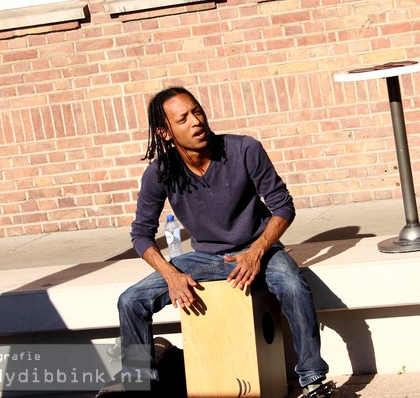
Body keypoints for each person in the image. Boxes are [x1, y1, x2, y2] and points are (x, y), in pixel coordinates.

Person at [101, 86, 335, 398]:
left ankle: (313, 380)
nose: (196, 121)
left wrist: (257, 251)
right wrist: (171, 275)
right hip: (205, 258)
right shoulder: (160, 172)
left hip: (258, 248)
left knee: (292, 285)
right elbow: (141, 235)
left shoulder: (244, 149)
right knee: (130, 300)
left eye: (197, 111)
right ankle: (139, 388)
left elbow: (283, 207)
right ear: (165, 131)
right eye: (183, 119)